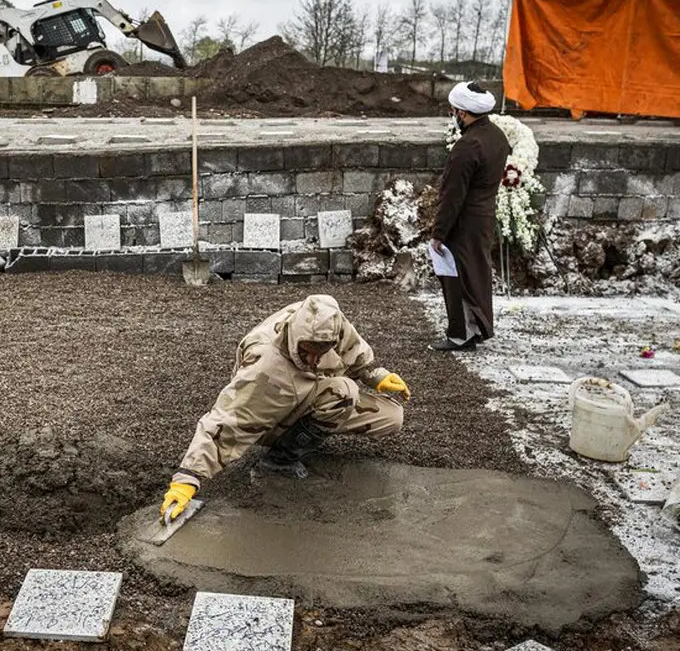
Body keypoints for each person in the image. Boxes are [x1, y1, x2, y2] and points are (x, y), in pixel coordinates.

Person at [159, 295, 410, 522]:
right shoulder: (266, 366)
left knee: (392, 416)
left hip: (311, 391)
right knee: (343, 392)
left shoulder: (329, 323)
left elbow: (352, 353)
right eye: (307, 352)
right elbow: (228, 420)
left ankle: (310, 426)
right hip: (270, 405)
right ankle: (280, 459)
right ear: (296, 337)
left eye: (322, 351)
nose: (314, 360)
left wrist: (375, 375)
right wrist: (187, 478)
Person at [429, 81, 510, 352]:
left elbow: (452, 196)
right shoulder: (497, 137)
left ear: (462, 113)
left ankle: (460, 335)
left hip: (464, 222)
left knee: (457, 277)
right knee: (477, 275)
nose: (453, 117)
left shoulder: (467, 146)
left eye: (454, 112)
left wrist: (439, 233)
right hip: (484, 217)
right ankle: (476, 327)